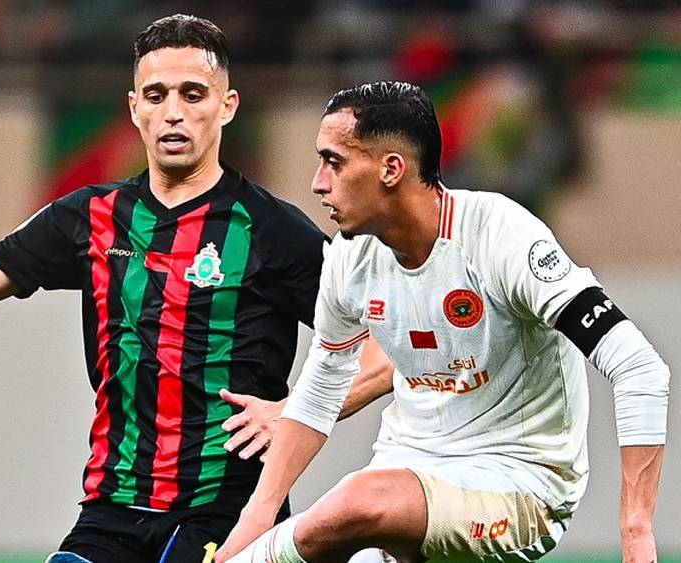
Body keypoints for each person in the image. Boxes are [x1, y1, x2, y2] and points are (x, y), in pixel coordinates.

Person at [0, 15, 393, 563]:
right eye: (157, 94)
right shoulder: (89, 218)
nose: (174, 111)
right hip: (111, 511)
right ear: (134, 108)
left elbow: (384, 350)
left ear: (226, 106)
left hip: (227, 513)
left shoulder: (273, 230)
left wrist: (295, 411)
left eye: (193, 94)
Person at [215, 81, 670, 563]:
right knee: (359, 504)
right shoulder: (350, 257)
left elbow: (640, 368)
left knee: (354, 502)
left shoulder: (500, 236)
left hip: (518, 490)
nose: (318, 182)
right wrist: (256, 518)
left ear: (391, 169)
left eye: (334, 162)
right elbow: (321, 390)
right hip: (406, 480)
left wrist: (636, 532)